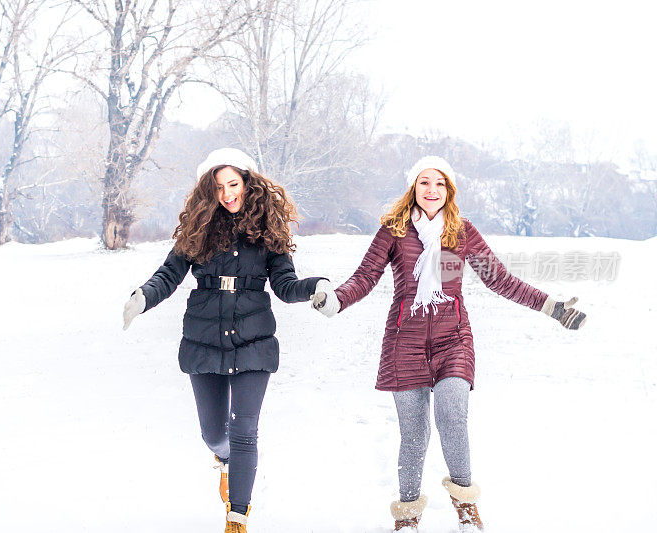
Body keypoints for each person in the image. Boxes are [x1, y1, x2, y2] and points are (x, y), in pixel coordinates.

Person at [311, 156, 587, 532]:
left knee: (452, 416)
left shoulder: (461, 232)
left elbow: (500, 280)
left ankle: (466, 508)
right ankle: (407, 518)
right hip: (403, 344)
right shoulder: (393, 232)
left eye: (439, 184)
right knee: (414, 433)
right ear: (413, 188)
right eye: (424, 183)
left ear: (448, 191)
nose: (432, 190)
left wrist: (551, 307)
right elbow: (364, 277)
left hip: (453, 340)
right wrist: (335, 300)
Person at [122, 148, 329, 533]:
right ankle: (226, 460)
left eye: (232, 184)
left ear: (248, 183)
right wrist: (143, 296)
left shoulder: (268, 232)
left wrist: (315, 288)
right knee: (214, 433)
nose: (227, 193)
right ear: (208, 191)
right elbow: (169, 274)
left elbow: (284, 285)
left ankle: (237, 517)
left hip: (253, 341)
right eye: (218, 187)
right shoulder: (197, 230)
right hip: (204, 337)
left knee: (244, 429)